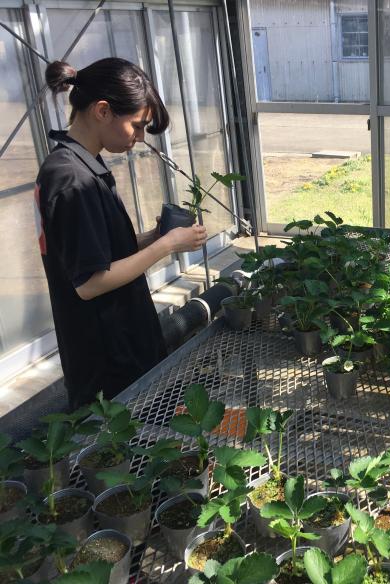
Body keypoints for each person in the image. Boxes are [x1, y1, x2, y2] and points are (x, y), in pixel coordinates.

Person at [36, 57, 208, 409]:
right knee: (126, 455)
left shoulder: (85, 164)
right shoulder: (70, 179)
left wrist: (152, 236)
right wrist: (164, 245)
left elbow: (100, 252)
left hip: (124, 344)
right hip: (106, 366)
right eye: (137, 125)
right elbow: (90, 283)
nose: (141, 138)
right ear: (103, 111)